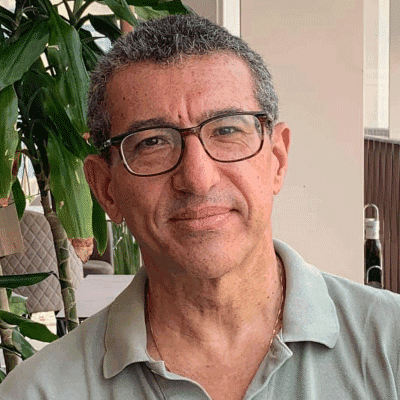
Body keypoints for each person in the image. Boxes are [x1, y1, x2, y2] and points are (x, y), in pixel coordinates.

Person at [1, 13, 399, 400]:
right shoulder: (39, 391)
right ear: (106, 189)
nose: (197, 178)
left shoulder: (390, 344)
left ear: (277, 160)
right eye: (153, 142)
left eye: (226, 130)